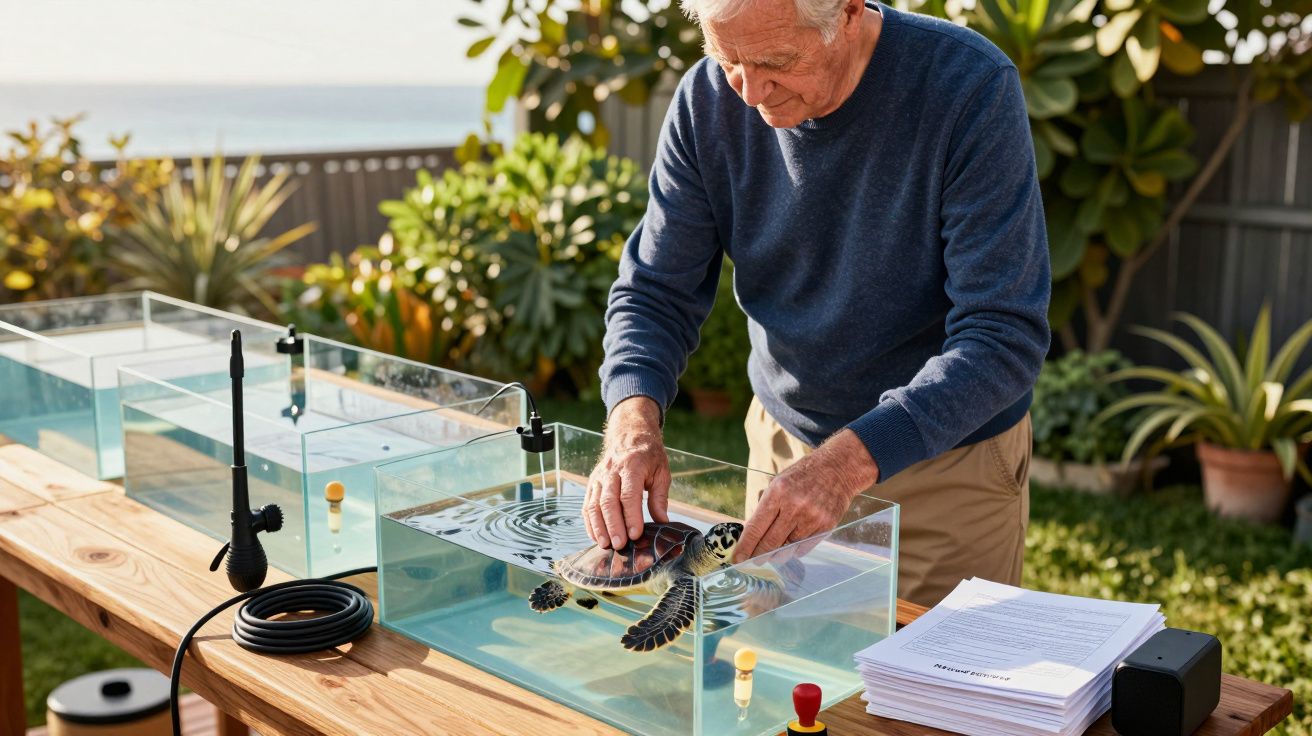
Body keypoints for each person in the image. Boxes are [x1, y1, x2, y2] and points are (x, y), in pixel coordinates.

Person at [585, 0, 1050, 607]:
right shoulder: (707, 100)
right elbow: (653, 290)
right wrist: (631, 424)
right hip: (785, 447)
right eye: (728, 59)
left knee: (916, 698)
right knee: (779, 682)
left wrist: (841, 468)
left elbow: (1001, 335)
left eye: (776, 61)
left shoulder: (968, 87)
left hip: (947, 460)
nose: (749, 92)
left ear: (851, 12)